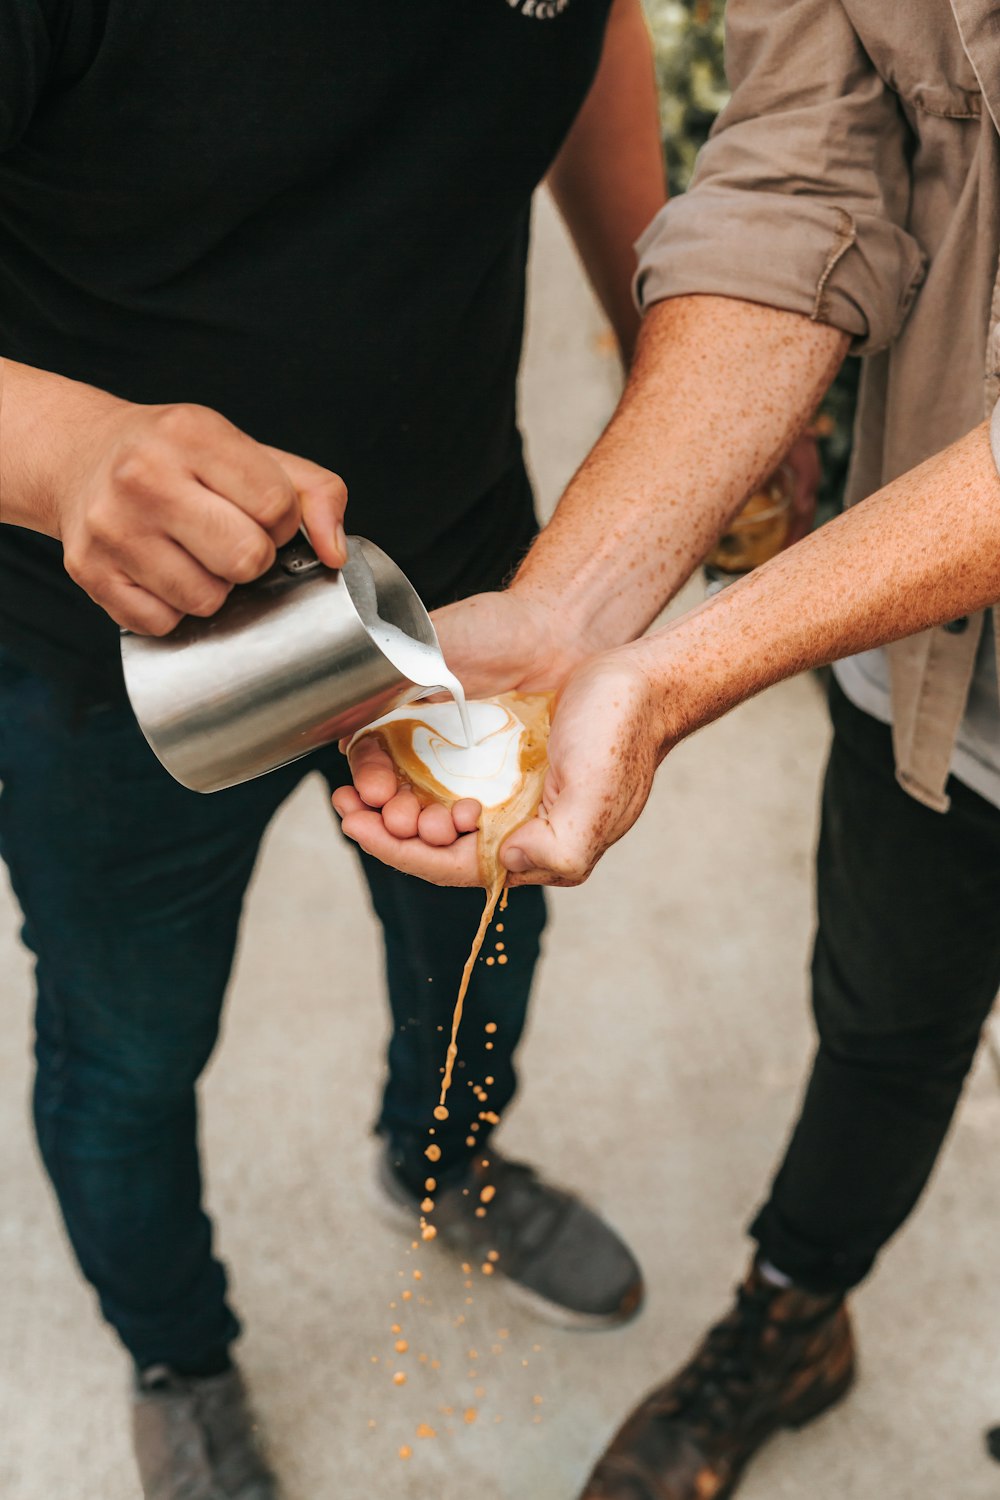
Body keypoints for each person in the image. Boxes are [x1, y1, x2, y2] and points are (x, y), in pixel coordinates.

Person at [0, 3, 667, 1494]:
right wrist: (60, 452)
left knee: (481, 934)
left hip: (461, 575)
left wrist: (658, 314)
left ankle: (444, 1165)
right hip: (110, 646)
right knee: (127, 1045)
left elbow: (593, 28)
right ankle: (176, 1346)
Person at [335, 3, 1000, 1495]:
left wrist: (685, 667)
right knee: (887, 1018)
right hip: (941, 662)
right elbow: (797, 180)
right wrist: (578, 607)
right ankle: (796, 1313)